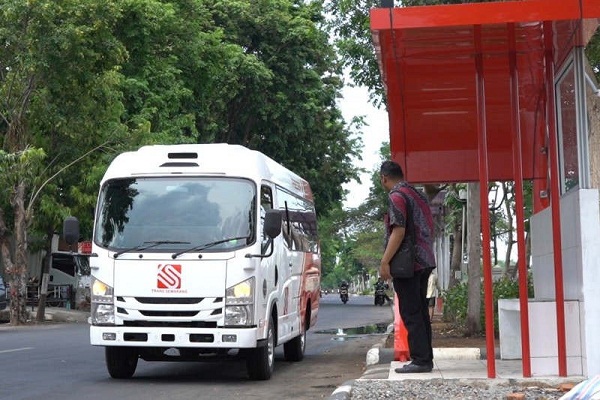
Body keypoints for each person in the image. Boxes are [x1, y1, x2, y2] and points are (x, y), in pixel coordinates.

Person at [379, 160, 437, 374]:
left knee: (411, 312)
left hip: (409, 264)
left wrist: (385, 261)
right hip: (425, 259)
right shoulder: (417, 194)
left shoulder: (396, 196)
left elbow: (399, 231)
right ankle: (425, 358)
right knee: (421, 311)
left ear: (383, 177)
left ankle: (421, 361)